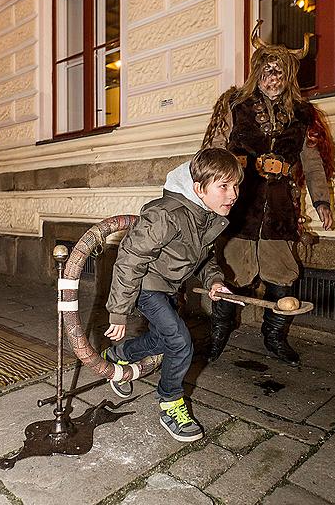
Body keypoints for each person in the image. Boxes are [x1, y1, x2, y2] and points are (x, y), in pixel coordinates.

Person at [202, 20, 335, 366]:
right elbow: (213, 151)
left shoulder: (302, 114)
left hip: (280, 210)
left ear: (289, 76)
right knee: (228, 278)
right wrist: (206, 195)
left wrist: (321, 201)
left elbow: (312, 161)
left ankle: (274, 338)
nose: (272, 78)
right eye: (267, 70)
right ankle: (217, 336)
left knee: (283, 278)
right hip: (239, 206)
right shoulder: (234, 104)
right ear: (257, 72)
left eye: (279, 72)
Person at [101, 147, 243, 442]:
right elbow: (130, 258)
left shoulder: (207, 216)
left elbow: (205, 259)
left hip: (168, 289)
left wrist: (215, 281)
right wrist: (119, 312)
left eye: (236, 185)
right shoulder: (165, 214)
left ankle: (119, 355)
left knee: (166, 337)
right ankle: (170, 403)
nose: (234, 194)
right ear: (198, 189)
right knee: (180, 342)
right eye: (224, 186)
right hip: (145, 285)